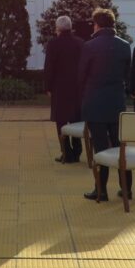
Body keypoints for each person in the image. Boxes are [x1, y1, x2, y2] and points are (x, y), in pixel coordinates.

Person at [79, 9, 132, 201]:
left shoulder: (90, 46)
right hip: (117, 102)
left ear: (97, 24)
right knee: (120, 146)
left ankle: (101, 190)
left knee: (100, 149)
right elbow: (127, 74)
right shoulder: (125, 46)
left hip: (95, 103)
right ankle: (127, 189)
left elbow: (82, 75)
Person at [44, 16, 85, 163]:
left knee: (61, 122)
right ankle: (78, 150)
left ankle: (66, 153)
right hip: (77, 89)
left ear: (58, 29)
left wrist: (48, 87)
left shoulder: (53, 44)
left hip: (59, 89)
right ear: (70, 27)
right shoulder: (80, 43)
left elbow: (49, 67)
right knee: (75, 120)